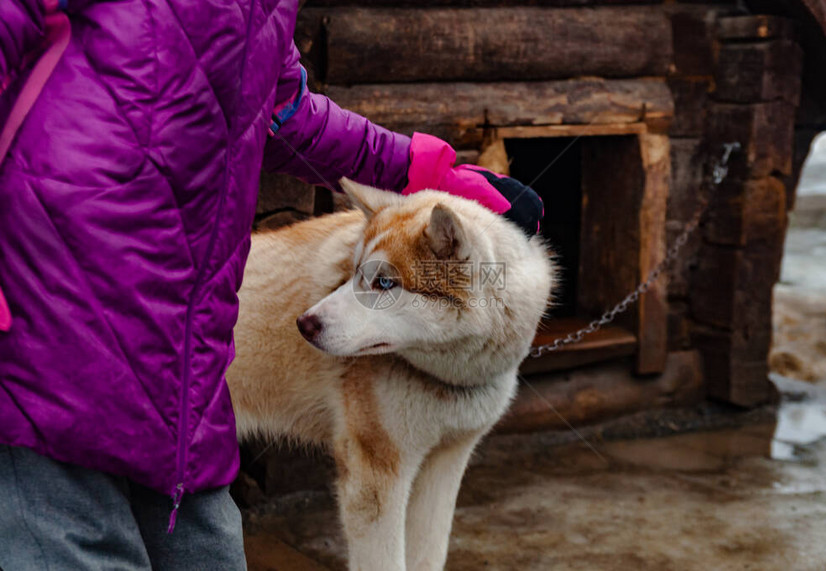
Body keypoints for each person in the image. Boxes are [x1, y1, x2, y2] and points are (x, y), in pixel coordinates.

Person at [0, 0, 543, 568]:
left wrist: (425, 172)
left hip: (185, 331)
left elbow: (285, 111)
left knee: (206, 549)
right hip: (46, 308)